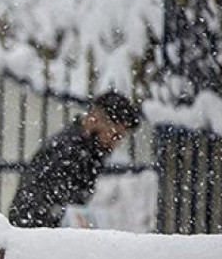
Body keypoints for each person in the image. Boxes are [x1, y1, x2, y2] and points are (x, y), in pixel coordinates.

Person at [8, 91, 142, 228]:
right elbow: (46, 206)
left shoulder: (85, 150)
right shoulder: (68, 152)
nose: (116, 143)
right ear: (95, 119)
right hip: (41, 236)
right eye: (114, 135)